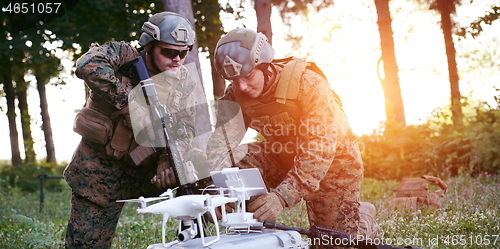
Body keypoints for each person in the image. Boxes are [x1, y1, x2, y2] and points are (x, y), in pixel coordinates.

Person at [207, 28, 377, 248]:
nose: (242, 86)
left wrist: (281, 196)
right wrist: (213, 189)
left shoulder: (308, 84)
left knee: (334, 243)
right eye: (233, 79)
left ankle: (363, 219)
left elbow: (319, 150)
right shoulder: (236, 93)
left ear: (264, 65)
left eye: (247, 76)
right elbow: (220, 144)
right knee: (238, 162)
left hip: (335, 163)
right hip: (282, 154)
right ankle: (259, 233)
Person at [64, 11, 202, 248]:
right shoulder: (122, 55)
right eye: (169, 52)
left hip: (145, 171)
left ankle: (199, 237)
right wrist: (130, 104)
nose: (177, 59)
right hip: (99, 172)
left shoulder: (183, 81)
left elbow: (186, 128)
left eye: (184, 52)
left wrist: (167, 162)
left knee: (198, 164)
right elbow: (87, 64)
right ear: (149, 46)